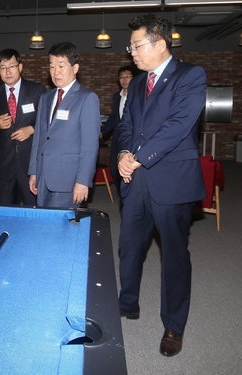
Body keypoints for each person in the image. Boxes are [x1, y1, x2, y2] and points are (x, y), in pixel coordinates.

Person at [117, 14, 207, 357]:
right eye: (131, 47)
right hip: (136, 180)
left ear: (160, 44)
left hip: (170, 180)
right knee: (129, 246)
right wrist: (124, 153)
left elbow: (179, 125)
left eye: (137, 46)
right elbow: (127, 124)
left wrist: (139, 157)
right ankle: (127, 303)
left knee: (173, 255)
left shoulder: (190, 75)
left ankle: (174, 324)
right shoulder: (138, 83)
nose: (132, 53)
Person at [28, 42, 100, 208]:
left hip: (69, 179)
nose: (56, 72)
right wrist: (34, 171)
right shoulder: (46, 98)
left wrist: (83, 181)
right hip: (43, 176)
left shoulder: (87, 98)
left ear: (75, 68)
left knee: (66, 227)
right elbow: (39, 138)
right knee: (45, 223)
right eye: (52, 67)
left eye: (61, 66)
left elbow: (90, 146)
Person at [0, 49, 45, 206]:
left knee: (34, 208)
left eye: (11, 66)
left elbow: (47, 121)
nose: (8, 71)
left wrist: (31, 129)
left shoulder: (37, 90)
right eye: (3, 68)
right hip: (6, 163)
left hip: (31, 161)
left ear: (20, 67)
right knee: (8, 209)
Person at [100, 65, 137, 184]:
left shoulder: (139, 96)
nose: (124, 80)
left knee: (131, 170)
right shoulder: (117, 96)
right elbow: (114, 118)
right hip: (117, 139)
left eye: (128, 77)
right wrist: (102, 132)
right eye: (121, 77)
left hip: (133, 139)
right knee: (114, 168)